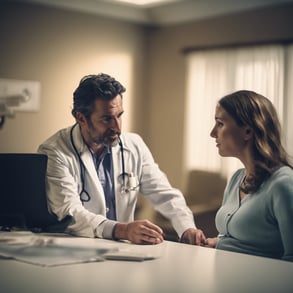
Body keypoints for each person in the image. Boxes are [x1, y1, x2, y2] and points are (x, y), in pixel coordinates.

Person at [38, 73, 206, 245]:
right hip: (77, 247)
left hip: (122, 249)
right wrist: (123, 230)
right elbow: (69, 211)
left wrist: (186, 228)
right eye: (106, 119)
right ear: (81, 118)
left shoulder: (134, 145)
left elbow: (164, 194)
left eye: (119, 115)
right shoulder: (55, 151)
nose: (117, 127)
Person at [205, 90, 293, 261]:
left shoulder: (283, 185)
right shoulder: (236, 179)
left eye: (220, 124)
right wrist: (216, 242)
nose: (213, 133)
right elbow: (240, 240)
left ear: (247, 131)